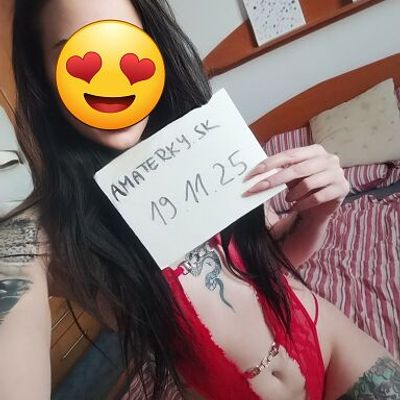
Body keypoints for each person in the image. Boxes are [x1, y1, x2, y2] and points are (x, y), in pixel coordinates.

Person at [1, 0, 399, 399]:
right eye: (79, 56)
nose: (112, 77)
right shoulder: (39, 236)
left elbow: (272, 258)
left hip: (328, 340)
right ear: (44, 79)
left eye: (126, 44)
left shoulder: (212, 143)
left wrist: (315, 216)